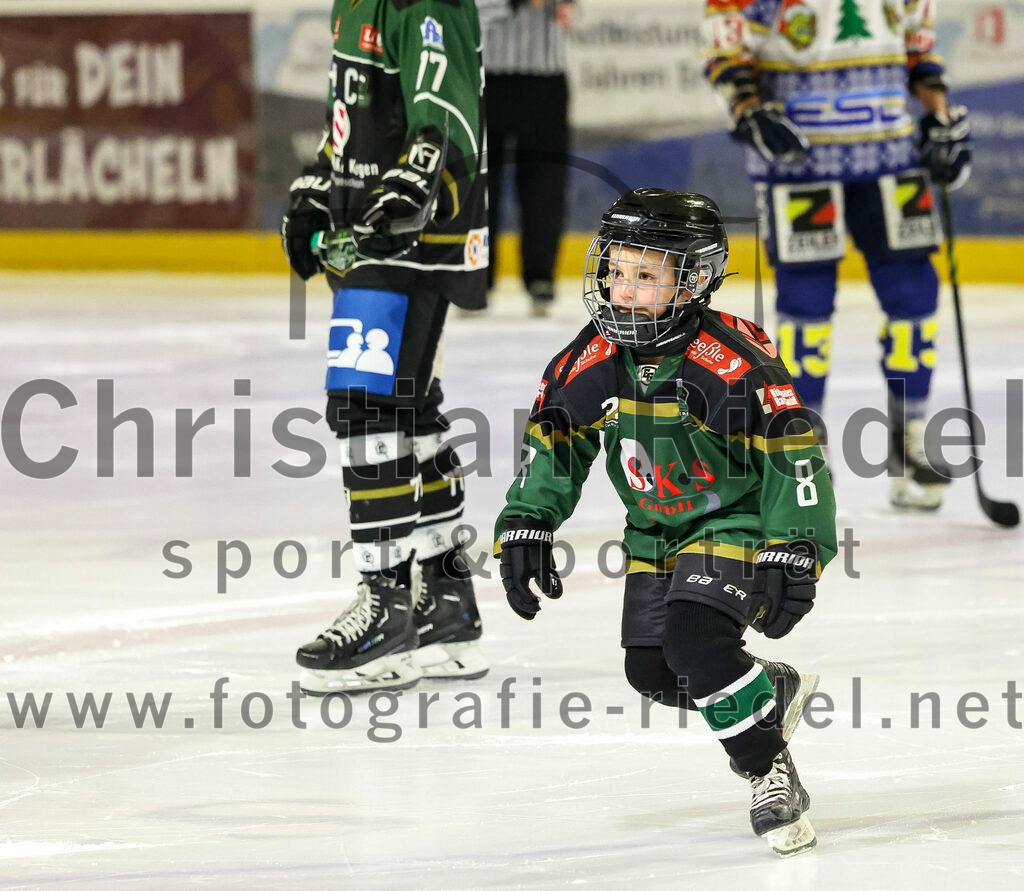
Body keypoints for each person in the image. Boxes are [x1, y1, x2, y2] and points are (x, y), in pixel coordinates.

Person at [494, 189, 838, 857]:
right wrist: (528, 520)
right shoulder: (591, 358)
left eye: (645, 274)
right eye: (616, 270)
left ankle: (766, 769)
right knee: (653, 671)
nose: (623, 289)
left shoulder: (730, 363)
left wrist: (795, 544)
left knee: (696, 647)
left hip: (736, 521)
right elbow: (555, 442)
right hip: (655, 533)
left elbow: (793, 454)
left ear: (694, 279)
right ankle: (768, 688)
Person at [280, 0, 490, 694]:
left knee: (366, 410)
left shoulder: (423, 4)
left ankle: (387, 612)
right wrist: (318, 189)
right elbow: (354, 123)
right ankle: (447, 606)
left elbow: (446, 111)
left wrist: (414, 179)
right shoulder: (354, 5)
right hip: (374, 234)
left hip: (411, 238)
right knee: (410, 412)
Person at [702, 0, 972, 510]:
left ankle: (909, 434)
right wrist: (745, 107)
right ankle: (805, 443)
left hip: (891, 153)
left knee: (914, 293)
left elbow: (918, 43)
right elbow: (726, 44)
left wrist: (938, 112)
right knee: (805, 303)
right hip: (797, 159)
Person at [479, 0, 576, 316]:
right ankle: (476, 274)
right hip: (486, 73)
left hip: (545, 76)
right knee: (481, 183)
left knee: (545, 183)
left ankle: (540, 277)